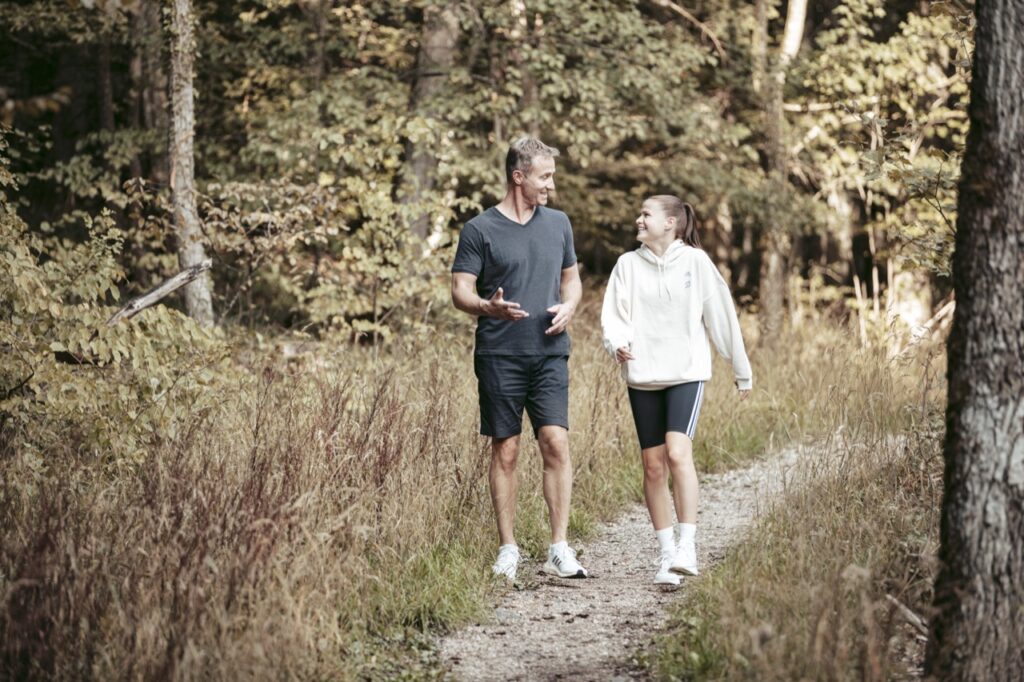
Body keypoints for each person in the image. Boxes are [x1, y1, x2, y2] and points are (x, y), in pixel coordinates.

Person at [451, 137, 588, 582]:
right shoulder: (479, 229)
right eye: (544, 177)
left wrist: (570, 306)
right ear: (518, 177)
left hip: (550, 352)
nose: (551, 185)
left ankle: (559, 548)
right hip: (499, 355)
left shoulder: (559, 223)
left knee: (556, 442)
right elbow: (460, 290)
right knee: (506, 450)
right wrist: (486, 307)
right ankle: (507, 549)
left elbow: (571, 280)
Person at [601, 195, 752, 586]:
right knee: (653, 465)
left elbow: (721, 316)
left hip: (686, 372)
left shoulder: (696, 263)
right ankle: (667, 555)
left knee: (677, 451)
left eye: (646, 214)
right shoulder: (626, 265)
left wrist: (741, 370)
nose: (638, 220)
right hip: (643, 375)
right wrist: (616, 344)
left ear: (670, 222)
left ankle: (688, 546)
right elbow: (614, 316)